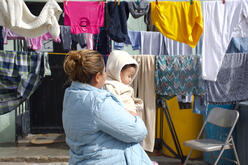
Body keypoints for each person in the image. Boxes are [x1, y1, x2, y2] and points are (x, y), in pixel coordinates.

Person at [62, 50, 154, 165]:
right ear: (97, 77)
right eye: (104, 72)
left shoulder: (71, 94)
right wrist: (135, 117)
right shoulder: (98, 102)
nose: (106, 76)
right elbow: (138, 131)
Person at [104, 50, 143, 116]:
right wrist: (128, 111)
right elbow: (115, 102)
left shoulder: (126, 87)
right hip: (123, 116)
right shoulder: (110, 85)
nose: (130, 79)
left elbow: (129, 99)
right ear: (118, 72)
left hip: (132, 114)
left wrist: (136, 104)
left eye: (132, 76)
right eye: (129, 76)